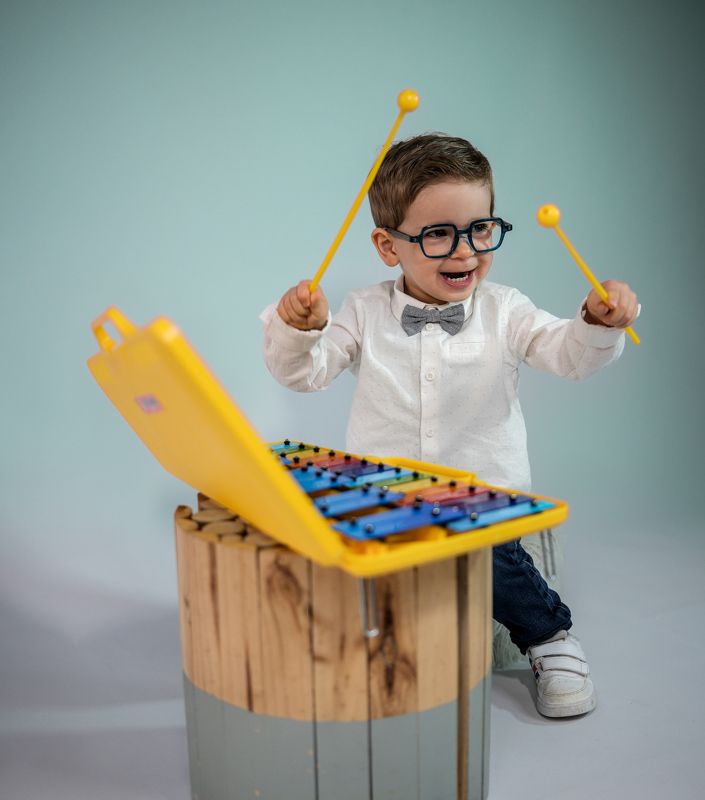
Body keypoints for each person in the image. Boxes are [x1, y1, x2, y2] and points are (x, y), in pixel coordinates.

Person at [260, 133, 639, 718]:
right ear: (388, 245)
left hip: (482, 503)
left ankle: (548, 637)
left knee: (487, 553)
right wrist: (299, 329)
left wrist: (595, 320)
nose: (465, 252)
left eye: (480, 229)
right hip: (384, 496)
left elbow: (569, 356)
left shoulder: (506, 309)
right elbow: (303, 374)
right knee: (347, 566)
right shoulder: (361, 310)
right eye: (438, 233)